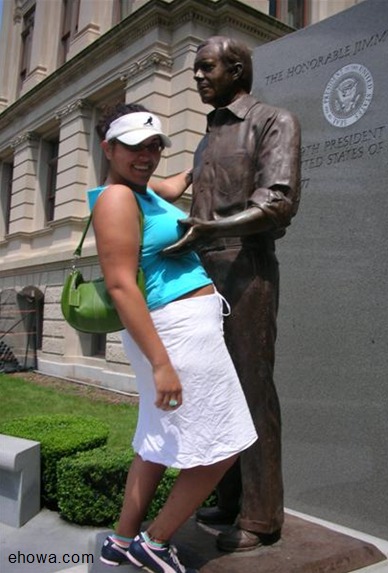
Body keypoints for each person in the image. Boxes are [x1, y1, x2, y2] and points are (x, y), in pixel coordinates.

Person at [90, 102, 257, 572]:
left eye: (153, 146)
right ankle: (155, 543)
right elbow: (121, 285)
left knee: (155, 442)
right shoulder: (117, 199)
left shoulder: (142, 191)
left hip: (177, 331)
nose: (146, 157)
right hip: (176, 335)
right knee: (225, 443)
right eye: (134, 147)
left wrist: (208, 156)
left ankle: (121, 541)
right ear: (108, 148)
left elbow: (173, 183)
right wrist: (162, 363)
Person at [157, 36, 301, 552]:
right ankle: (229, 496)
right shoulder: (205, 140)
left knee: (252, 389)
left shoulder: (273, 121)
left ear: (236, 70)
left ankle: (262, 517)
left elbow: (279, 203)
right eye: (195, 69)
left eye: (206, 68)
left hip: (247, 267)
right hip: (201, 273)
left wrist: (210, 230)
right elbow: (185, 198)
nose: (197, 76)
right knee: (216, 391)